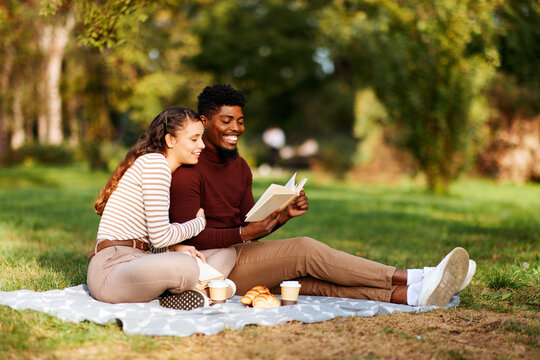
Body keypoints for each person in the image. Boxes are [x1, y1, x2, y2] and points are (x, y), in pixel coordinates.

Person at [169, 85, 476, 307]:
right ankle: (415, 276)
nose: (236, 128)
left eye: (240, 120)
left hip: (239, 254)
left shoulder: (240, 167)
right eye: (226, 121)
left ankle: (411, 296)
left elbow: (251, 228)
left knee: (308, 284)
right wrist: (242, 233)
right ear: (204, 121)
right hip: (210, 266)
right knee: (305, 251)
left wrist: (282, 216)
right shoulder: (187, 171)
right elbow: (185, 239)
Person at [87, 106, 236, 310]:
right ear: (170, 140)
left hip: (142, 258)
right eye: (194, 139)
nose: (201, 145)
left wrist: (174, 248)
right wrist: (198, 224)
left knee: (226, 253)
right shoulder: (155, 165)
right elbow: (159, 236)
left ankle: (197, 294)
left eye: (201, 138)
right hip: (112, 269)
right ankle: (208, 290)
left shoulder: (159, 167)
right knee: (185, 265)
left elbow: (149, 239)